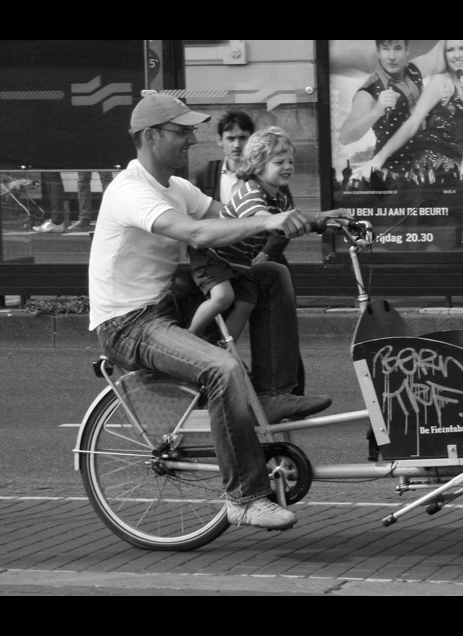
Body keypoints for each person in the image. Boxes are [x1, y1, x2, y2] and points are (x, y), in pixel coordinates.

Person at [88, 93, 351, 531]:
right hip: (128, 324)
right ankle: (245, 497)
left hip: (167, 307)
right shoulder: (129, 191)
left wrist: (318, 218)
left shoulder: (176, 187)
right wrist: (265, 222)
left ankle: (272, 391)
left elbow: (230, 217)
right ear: (152, 137)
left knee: (269, 274)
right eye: (182, 132)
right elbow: (196, 230)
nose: (192, 140)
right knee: (223, 370)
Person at [187, 127, 298, 341]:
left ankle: (226, 348)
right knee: (223, 297)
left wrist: (326, 218)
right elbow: (259, 216)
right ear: (257, 166)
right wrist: (272, 220)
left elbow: (296, 217)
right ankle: (190, 338)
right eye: (279, 163)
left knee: (247, 303)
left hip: (240, 261)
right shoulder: (251, 192)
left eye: (290, 162)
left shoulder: (280, 198)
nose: (287, 167)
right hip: (213, 256)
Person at [356, 39, 463, 184]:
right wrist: (379, 159)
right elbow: (413, 123)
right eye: (450, 50)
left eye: (462, 48)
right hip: (428, 166)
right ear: (444, 54)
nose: (456, 55)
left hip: (453, 171)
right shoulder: (440, 82)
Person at [339, 40, 424, 178]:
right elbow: (345, 137)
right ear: (378, 51)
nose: (391, 56)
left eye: (397, 48)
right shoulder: (369, 90)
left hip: (424, 168)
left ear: (406, 51)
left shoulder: (413, 70)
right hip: (392, 172)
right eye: (386, 49)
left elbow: (439, 54)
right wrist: (376, 112)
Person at [195, 110, 256, 204]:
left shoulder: (262, 172)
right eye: (231, 139)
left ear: (252, 139)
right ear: (220, 140)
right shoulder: (207, 174)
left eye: (242, 138)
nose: (237, 145)